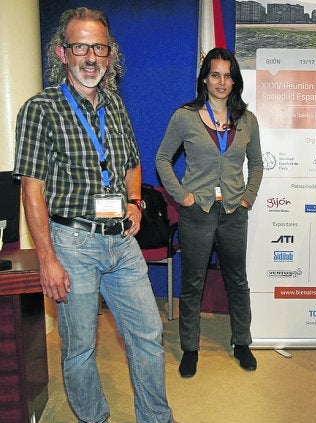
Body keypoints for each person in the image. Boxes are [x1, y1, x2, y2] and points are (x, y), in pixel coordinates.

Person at [13, 7, 174, 423]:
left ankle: (156, 418)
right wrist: (47, 258)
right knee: (80, 347)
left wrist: (136, 202)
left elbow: (132, 163)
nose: (90, 56)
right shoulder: (40, 108)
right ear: (62, 53)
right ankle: (93, 418)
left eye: (99, 47)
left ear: (110, 54)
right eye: (80, 46)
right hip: (73, 244)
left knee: (149, 335)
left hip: (122, 241)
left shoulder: (115, 105)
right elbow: (33, 189)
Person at [156, 47, 263, 378]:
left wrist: (247, 197)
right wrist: (183, 198)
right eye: (215, 74)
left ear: (235, 80)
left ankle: (241, 342)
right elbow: (162, 159)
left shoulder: (247, 120)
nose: (221, 81)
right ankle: (190, 347)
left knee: (237, 280)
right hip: (197, 212)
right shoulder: (184, 116)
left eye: (228, 75)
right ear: (204, 78)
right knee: (193, 282)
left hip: (233, 212)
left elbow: (256, 163)